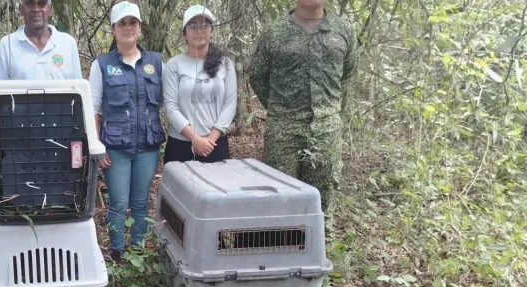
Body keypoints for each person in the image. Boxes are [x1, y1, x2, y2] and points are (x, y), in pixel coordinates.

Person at [248, 0, 359, 229]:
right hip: (284, 131)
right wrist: (281, 109)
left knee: (321, 202)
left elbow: (347, 77)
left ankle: (319, 258)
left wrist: (332, 113)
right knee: (279, 198)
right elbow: (257, 75)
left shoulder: (343, 31)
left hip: (326, 130)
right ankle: (278, 257)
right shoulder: (276, 32)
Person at [89, 1, 165, 263]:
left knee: (141, 203)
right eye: (122, 23)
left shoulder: (156, 62)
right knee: (119, 204)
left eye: (132, 22)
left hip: (148, 146)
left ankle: (139, 249)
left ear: (140, 28)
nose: (128, 27)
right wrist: (98, 148)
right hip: (116, 148)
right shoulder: (101, 65)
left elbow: (171, 101)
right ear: (113, 29)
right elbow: (93, 110)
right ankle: (118, 253)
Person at [163, 5, 237, 163]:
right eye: (193, 25)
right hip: (181, 144)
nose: (199, 30)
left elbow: (230, 104)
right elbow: (171, 107)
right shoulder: (174, 65)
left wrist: (211, 138)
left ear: (212, 31)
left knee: (217, 187)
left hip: (215, 144)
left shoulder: (225, 64)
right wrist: (194, 138)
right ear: (184, 33)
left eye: (205, 25)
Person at [0, 0, 83, 80]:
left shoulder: (67, 43)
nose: (36, 9)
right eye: (29, 4)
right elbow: (0, 92)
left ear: (50, 9)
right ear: (21, 9)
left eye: (42, 3)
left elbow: (79, 90)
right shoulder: (7, 44)